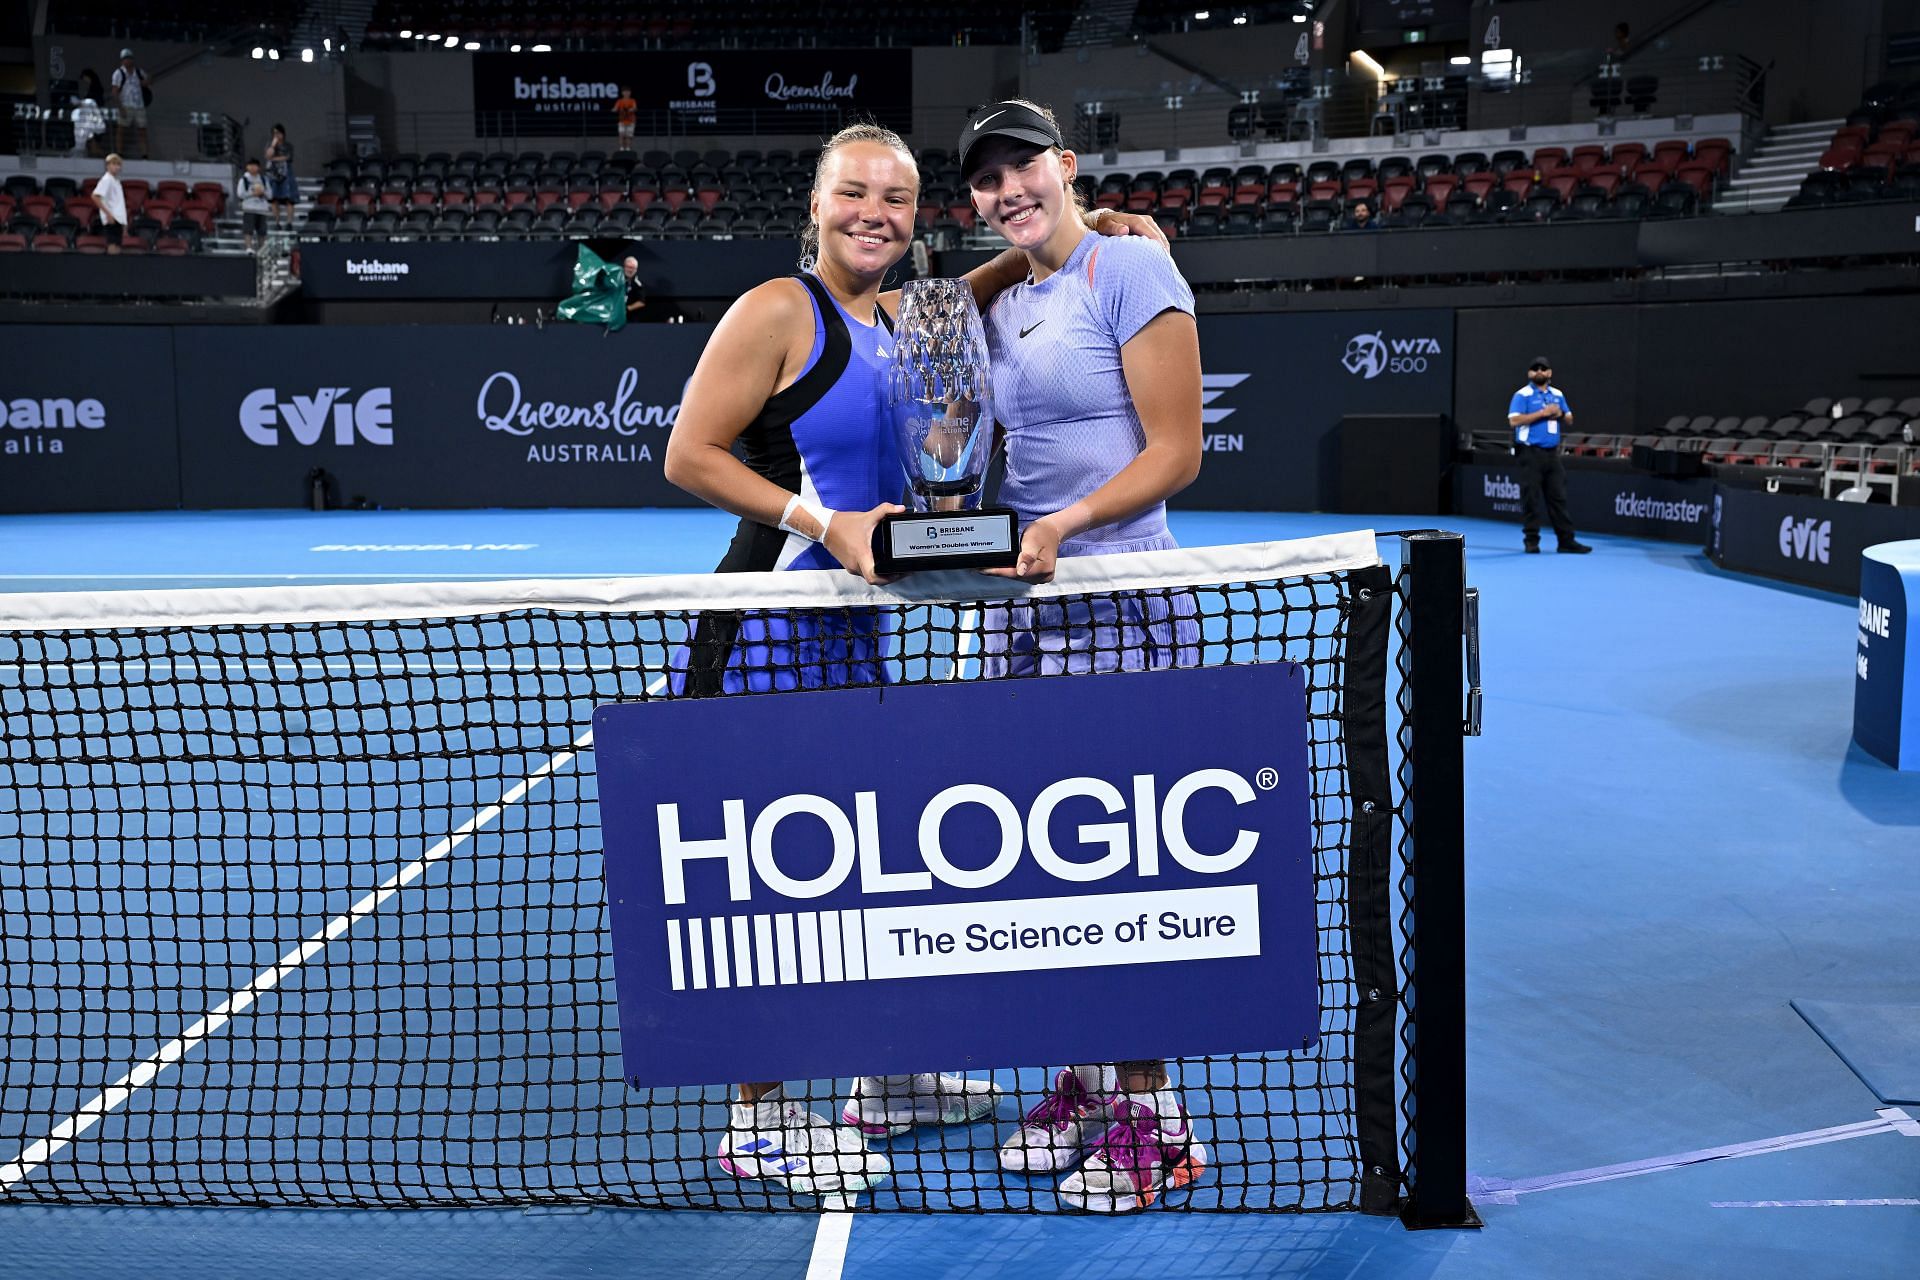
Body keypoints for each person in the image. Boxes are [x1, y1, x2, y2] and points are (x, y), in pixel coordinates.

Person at [661, 120, 1165, 1199]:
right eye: (853, 193)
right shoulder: (775, 310)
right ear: (815, 199)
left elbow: (988, 282)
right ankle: (756, 1114)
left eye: (896, 197)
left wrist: (1094, 235)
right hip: (770, 619)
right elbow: (686, 452)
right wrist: (819, 517)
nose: (873, 213)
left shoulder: (907, 312)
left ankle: (889, 1080)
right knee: (764, 878)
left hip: (854, 632)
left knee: (855, 864)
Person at [959, 99, 1206, 1213]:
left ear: (1066, 164)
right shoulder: (1007, 293)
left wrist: (1065, 525)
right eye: (985, 181)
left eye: (1025, 168)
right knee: (1046, 861)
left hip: (1122, 597)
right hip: (1025, 612)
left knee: (1129, 864)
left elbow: (1178, 451)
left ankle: (1156, 1113)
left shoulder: (1133, 276)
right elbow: (918, 318)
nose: (1007, 190)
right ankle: (1085, 1074)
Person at [1508, 356, 1592, 553]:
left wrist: (1558, 414)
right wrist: (1543, 414)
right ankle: (1531, 541)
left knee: (1558, 497)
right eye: (1535, 368)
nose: (1539, 371)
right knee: (1531, 497)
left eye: (1543, 369)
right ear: (1529, 373)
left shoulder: (1557, 394)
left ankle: (1566, 541)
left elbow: (1569, 417)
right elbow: (1514, 421)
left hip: (1552, 455)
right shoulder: (1523, 395)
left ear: (1550, 373)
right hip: (1530, 452)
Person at [110, 50, 151, 159]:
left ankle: (145, 154)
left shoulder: (138, 72)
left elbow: (148, 79)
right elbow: (114, 91)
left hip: (139, 105)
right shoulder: (118, 73)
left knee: (142, 129)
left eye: (129, 58)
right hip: (126, 105)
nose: (128, 60)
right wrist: (120, 107)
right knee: (121, 129)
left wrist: (144, 83)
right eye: (125, 58)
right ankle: (119, 153)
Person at [90, 153, 127, 255]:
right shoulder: (106, 179)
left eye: (118, 165)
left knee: (118, 245)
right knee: (112, 244)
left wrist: (124, 222)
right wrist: (108, 214)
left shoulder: (116, 181)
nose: (116, 167)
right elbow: (95, 196)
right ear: (108, 165)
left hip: (118, 218)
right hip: (112, 217)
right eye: (114, 164)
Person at [265, 125, 298, 231]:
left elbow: (288, 157)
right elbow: (268, 156)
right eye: (274, 133)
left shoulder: (288, 145)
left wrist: (274, 159)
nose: (277, 135)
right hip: (273, 173)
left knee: (289, 199)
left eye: (278, 133)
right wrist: (273, 145)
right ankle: (277, 222)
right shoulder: (269, 145)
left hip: (286, 172)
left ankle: (289, 222)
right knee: (274, 199)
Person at [237, 159, 270, 253]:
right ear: (247, 167)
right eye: (250, 165)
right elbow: (240, 194)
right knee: (248, 229)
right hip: (249, 208)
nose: (252, 167)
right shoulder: (244, 180)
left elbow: (270, 194)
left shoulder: (263, 179)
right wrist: (252, 193)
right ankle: (249, 247)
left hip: (262, 209)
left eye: (255, 165)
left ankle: (262, 249)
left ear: (258, 167)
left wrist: (263, 193)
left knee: (262, 231)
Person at [613, 86, 638, 151]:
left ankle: (628, 148)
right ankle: (621, 148)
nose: (626, 93)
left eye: (628, 92)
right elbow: (615, 108)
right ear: (622, 93)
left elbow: (635, 108)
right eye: (625, 92)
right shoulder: (619, 101)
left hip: (631, 121)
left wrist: (631, 109)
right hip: (622, 121)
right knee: (621, 135)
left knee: (628, 136)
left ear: (630, 93)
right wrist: (615, 109)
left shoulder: (632, 100)